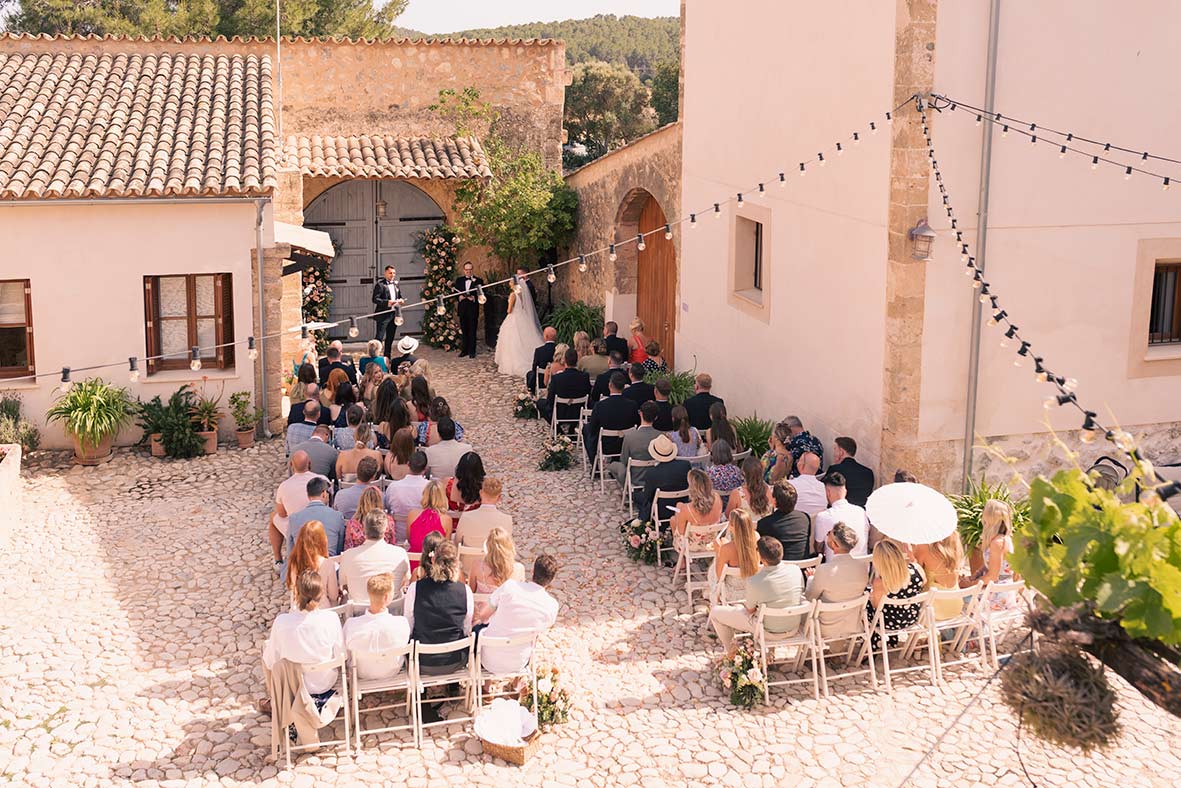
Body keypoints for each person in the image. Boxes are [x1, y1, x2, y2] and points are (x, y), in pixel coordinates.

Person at [262, 570, 343, 705]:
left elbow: (271, 661)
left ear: (296, 594)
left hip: (294, 685)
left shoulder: (282, 622)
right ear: (321, 595)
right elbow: (342, 654)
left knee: (266, 653)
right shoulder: (331, 618)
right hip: (325, 682)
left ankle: (276, 702)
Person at [709, 537, 805, 650]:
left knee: (715, 612)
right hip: (793, 627)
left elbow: (750, 611)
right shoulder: (796, 571)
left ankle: (732, 651)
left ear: (761, 557)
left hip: (767, 630)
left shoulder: (755, 581)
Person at [480, 554, 561, 675]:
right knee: (531, 637)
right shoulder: (551, 605)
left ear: (532, 571)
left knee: (482, 630)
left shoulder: (510, 586)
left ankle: (486, 688)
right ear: (551, 580)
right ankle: (517, 685)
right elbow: (542, 629)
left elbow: (484, 615)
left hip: (489, 660)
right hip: (519, 662)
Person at [405, 541, 474, 674]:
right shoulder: (465, 591)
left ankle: (422, 693)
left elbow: (409, 623)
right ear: (456, 563)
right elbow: (466, 627)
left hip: (422, 660)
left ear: (433, 560)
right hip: (456, 659)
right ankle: (453, 686)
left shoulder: (415, 588)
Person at [805, 523, 871, 637]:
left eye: (828, 534)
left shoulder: (824, 570)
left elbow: (810, 597)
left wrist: (811, 578)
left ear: (834, 544)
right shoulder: (862, 566)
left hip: (825, 627)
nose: (827, 536)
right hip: (852, 624)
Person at [343, 573, 411, 680]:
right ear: (387, 597)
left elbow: (346, 653)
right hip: (392, 670)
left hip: (361, 672)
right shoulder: (401, 623)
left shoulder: (351, 625)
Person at [338, 510, 410, 604]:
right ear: (385, 529)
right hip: (392, 611)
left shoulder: (348, 556)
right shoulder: (400, 554)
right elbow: (405, 581)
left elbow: (343, 583)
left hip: (358, 614)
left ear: (364, 529)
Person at [866, 539, 926, 649]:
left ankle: (871, 644)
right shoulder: (917, 571)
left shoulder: (880, 583)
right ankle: (892, 641)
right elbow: (923, 581)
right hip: (910, 618)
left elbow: (876, 607)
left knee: (866, 608)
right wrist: (911, 555)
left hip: (888, 623)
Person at [285, 476, 345, 581]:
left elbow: (290, 549)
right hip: (330, 568)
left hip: (303, 569)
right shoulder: (337, 516)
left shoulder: (294, 518)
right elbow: (339, 548)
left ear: (308, 496)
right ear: (324, 494)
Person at [271, 451, 323, 564]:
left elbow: (281, 513)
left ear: (291, 465)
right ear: (309, 463)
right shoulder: (322, 479)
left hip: (297, 528)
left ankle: (278, 559)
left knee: (273, 517)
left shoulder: (284, 486)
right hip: (320, 523)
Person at [966, 499, 1018, 609]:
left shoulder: (997, 543)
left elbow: (992, 576)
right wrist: (976, 575)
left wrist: (970, 585)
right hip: (1002, 591)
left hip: (997, 595)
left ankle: (976, 626)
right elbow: (993, 565)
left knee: (960, 598)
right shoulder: (1005, 538)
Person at [454, 477, 512, 574]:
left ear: (481, 493)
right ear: (499, 497)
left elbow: (457, 541)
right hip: (493, 569)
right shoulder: (506, 519)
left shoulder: (466, 517)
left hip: (468, 567)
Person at [583, 372, 639, 467]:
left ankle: (595, 465)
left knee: (587, 429)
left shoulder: (600, 406)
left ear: (610, 385)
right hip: (626, 444)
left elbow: (593, 428)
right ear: (624, 387)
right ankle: (616, 463)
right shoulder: (632, 405)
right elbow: (637, 424)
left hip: (606, 445)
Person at [470, 527, 526, 623]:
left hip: (480, 620)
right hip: (507, 620)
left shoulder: (477, 566)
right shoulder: (518, 569)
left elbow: (470, 593)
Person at [285, 520, 340, 611]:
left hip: (299, 608)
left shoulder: (294, 561)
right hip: (323, 609)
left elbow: (293, 588)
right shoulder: (327, 563)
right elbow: (333, 596)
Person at [709, 508, 761, 604]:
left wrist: (718, 551)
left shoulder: (727, 549)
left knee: (712, 569)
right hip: (752, 588)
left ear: (732, 526)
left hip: (731, 594)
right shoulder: (757, 537)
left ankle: (715, 600)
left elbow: (719, 576)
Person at [812, 471, 869, 559]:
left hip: (834, 569)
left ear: (828, 492)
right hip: (862, 569)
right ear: (845, 491)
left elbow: (818, 548)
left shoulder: (823, 516)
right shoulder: (861, 511)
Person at [914, 531, 966, 620]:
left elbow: (916, 577)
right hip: (955, 607)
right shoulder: (955, 543)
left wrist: (911, 555)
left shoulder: (923, 548)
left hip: (932, 610)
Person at [757, 480, 814, 561]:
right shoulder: (805, 518)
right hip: (803, 569)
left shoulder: (764, 524)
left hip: (779, 570)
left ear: (775, 501)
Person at [608, 400, 661, 487]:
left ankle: (627, 488)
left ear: (640, 413)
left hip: (635, 479)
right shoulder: (661, 436)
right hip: (654, 478)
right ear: (656, 417)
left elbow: (623, 462)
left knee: (614, 466)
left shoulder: (629, 437)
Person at [640, 434, 691, 522]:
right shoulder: (685, 465)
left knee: (637, 497)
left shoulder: (652, 473)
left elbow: (648, 497)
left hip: (662, 511)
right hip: (682, 505)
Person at [384, 450, 431, 543]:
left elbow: (387, 508)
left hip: (398, 536)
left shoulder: (393, 487)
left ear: (408, 464)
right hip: (422, 538)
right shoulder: (430, 488)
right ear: (425, 469)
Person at [671, 468, 724, 551]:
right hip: (712, 542)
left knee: (673, 520)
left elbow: (681, 532)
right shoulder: (717, 497)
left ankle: (683, 561)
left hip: (693, 546)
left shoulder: (686, 509)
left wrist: (678, 512)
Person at [407, 480, 454, 571]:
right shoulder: (447, 520)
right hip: (435, 565)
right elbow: (445, 547)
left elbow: (410, 539)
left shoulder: (412, 515)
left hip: (414, 562)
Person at [539, 347, 591, 426]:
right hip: (579, 413)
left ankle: (559, 431)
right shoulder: (584, 377)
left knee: (540, 403)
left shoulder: (557, 378)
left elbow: (550, 399)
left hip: (560, 413)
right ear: (577, 361)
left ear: (565, 361)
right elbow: (588, 394)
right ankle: (572, 428)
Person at [343, 486, 396, 551]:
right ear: (379, 501)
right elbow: (392, 543)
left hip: (359, 558)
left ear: (362, 501)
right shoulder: (388, 521)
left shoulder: (352, 524)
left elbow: (348, 548)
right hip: (383, 557)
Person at [829, 436, 875, 508]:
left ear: (841, 452)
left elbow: (826, 492)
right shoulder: (868, 472)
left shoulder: (835, 470)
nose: (833, 453)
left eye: (835, 449)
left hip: (841, 512)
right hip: (860, 513)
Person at [334, 456, 381, 521]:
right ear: (373, 476)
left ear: (357, 472)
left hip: (348, 529)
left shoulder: (340, 495)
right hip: (371, 530)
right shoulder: (380, 497)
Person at [372, 265, 404, 358]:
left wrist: (401, 300)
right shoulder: (380, 285)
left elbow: (399, 296)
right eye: (390, 273)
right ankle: (375, 357)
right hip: (383, 315)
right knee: (379, 338)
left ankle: (387, 358)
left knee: (390, 338)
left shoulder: (396, 284)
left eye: (394, 273)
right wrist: (387, 303)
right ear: (385, 273)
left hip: (394, 314)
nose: (392, 275)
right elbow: (375, 299)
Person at [454, 261, 484, 358]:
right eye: (466, 270)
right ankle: (464, 350)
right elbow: (455, 295)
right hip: (463, 309)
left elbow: (481, 294)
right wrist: (459, 298)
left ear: (472, 270)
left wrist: (474, 298)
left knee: (472, 330)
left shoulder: (478, 281)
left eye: (470, 269)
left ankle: (472, 351)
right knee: (464, 330)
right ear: (464, 270)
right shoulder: (459, 280)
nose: (468, 271)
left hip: (472, 309)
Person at [790, 452, 828, 517]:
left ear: (801, 465)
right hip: (816, 524)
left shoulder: (790, 486)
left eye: (799, 460)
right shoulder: (823, 487)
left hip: (796, 523)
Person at [526, 327, 558, 394]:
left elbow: (534, 367)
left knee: (529, 374)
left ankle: (532, 392)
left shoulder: (539, 351)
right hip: (557, 380)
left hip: (542, 382)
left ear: (545, 337)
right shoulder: (559, 349)